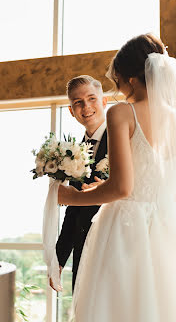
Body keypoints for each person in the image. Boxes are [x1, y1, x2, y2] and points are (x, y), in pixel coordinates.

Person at [58, 34, 176, 321]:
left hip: (125, 226)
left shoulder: (121, 112)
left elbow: (122, 187)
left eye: (116, 78)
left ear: (131, 79)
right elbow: (158, 175)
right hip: (168, 223)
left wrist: (76, 197)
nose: (115, 85)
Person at [51, 75, 108, 293]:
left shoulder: (125, 137)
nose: (86, 107)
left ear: (104, 102)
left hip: (116, 243)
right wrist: (59, 258)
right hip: (83, 253)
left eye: (92, 99)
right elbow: (74, 210)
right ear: (71, 110)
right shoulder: (74, 152)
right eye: (78, 102)